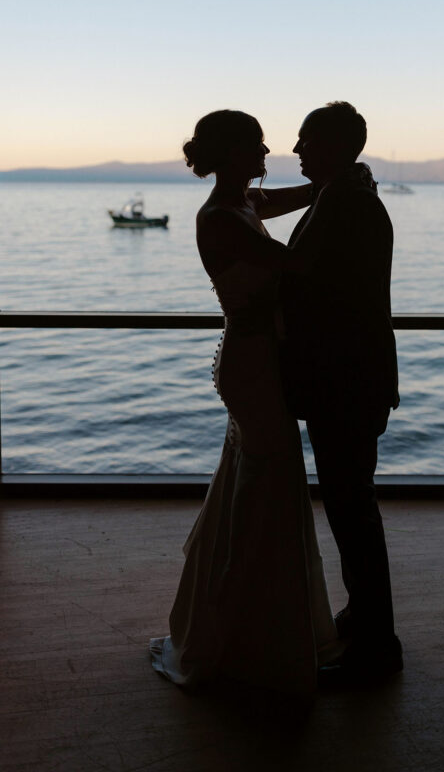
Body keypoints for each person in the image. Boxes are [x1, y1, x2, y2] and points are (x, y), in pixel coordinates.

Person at [150, 109, 343, 696]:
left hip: (257, 363)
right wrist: (337, 203)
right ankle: (243, 636)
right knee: (267, 488)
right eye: (257, 146)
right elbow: (299, 265)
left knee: (258, 487)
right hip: (252, 365)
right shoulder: (223, 218)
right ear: (234, 154)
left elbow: (290, 197)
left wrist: (332, 183)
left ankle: (243, 627)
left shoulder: (240, 206)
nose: (268, 154)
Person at [281, 101, 402, 685]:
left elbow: (300, 270)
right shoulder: (347, 195)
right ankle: (365, 616)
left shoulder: (346, 202)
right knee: (353, 505)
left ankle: (378, 646)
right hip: (353, 379)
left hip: (346, 382)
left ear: (332, 146)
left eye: (305, 142)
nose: (296, 151)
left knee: (353, 509)